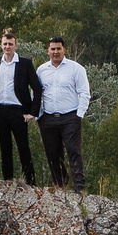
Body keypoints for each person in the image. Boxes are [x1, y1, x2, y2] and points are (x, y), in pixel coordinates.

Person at [36, 35, 90, 191]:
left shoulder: (76, 68)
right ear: (48, 51)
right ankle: (61, 186)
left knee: (73, 151)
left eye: (58, 48)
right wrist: (39, 115)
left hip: (70, 117)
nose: (55, 52)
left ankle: (79, 187)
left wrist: (79, 114)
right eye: (52, 49)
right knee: (53, 154)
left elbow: (84, 93)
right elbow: (37, 94)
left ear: (64, 49)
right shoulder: (41, 70)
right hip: (48, 118)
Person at [0, 30, 41, 184]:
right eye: (5, 44)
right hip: (0, 110)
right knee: (5, 148)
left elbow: (37, 88)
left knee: (23, 147)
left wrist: (32, 112)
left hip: (18, 111)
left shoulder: (25, 63)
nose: (8, 46)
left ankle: (30, 181)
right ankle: (7, 181)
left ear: (16, 45)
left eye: (10, 44)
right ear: (1, 45)